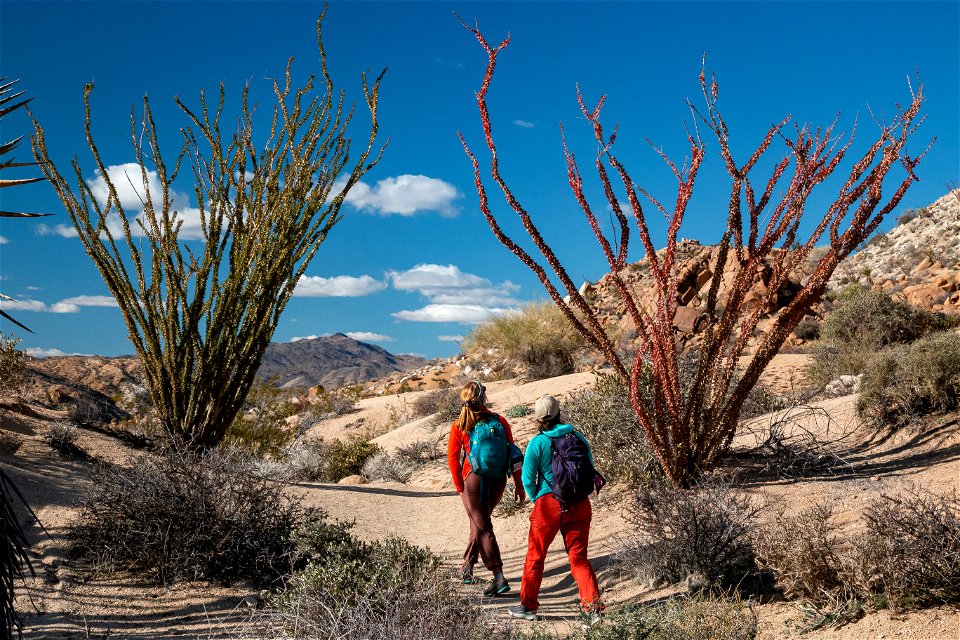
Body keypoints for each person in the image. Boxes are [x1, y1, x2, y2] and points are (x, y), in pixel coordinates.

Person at [508, 394, 603, 627]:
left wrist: (536, 499)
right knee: (579, 558)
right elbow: (589, 466)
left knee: (536, 556)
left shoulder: (537, 443)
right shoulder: (577, 436)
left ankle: (528, 606)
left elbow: (529, 478)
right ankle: (593, 610)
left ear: (538, 419)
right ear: (559, 413)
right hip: (580, 503)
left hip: (548, 506)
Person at [447, 380, 525, 596]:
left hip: (473, 480)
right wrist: (518, 484)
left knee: (483, 526)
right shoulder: (500, 421)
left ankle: (498, 576)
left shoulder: (460, 426)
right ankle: (468, 567)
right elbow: (514, 455)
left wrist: (458, 485)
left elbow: (453, 458)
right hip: (498, 479)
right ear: (483, 398)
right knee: (479, 522)